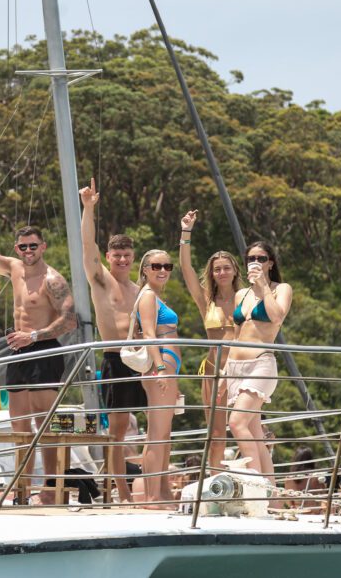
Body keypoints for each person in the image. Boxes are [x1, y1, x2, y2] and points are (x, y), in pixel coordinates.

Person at [0, 198, 77, 505]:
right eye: (23, 247)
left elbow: (69, 320)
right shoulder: (14, 269)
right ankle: (21, 490)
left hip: (43, 350)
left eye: (33, 246)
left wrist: (34, 335)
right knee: (18, 423)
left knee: (45, 423)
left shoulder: (52, 280)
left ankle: (50, 490)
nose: (28, 252)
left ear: (43, 247)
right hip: (17, 352)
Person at [79, 178, 146, 503]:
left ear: (133, 258)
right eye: (116, 255)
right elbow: (86, 248)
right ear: (108, 257)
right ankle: (121, 494)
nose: (121, 260)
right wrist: (88, 209)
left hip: (142, 361)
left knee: (156, 426)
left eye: (126, 256)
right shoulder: (101, 282)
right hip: (115, 359)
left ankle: (152, 487)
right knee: (118, 430)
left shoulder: (140, 291)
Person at [222, 241, 292, 483]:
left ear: (270, 262)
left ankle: (253, 486)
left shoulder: (281, 289)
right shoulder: (241, 294)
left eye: (261, 258)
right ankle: (271, 498)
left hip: (261, 363)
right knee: (255, 433)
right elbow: (235, 333)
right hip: (235, 366)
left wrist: (263, 285)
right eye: (252, 259)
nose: (256, 263)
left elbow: (277, 316)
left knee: (237, 422)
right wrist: (224, 370)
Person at [179, 209, 242, 473]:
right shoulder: (207, 300)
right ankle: (215, 482)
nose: (222, 272)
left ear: (235, 270)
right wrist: (186, 232)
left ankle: (255, 483)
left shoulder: (247, 297)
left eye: (226, 268)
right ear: (212, 273)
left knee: (246, 430)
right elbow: (186, 268)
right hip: (213, 371)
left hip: (241, 370)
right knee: (216, 436)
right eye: (217, 269)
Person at [136, 249, 180, 509]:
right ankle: (153, 496)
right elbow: (149, 334)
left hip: (168, 366)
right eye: (156, 266)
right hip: (160, 365)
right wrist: (161, 367)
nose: (162, 270)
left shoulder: (156, 296)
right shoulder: (148, 296)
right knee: (156, 434)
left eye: (167, 265)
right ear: (145, 269)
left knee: (165, 434)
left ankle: (163, 492)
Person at [284, 447, 325, 514]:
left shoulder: (288, 478)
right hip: (313, 513)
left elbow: (289, 502)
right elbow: (324, 498)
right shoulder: (315, 477)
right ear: (311, 459)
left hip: (296, 513)